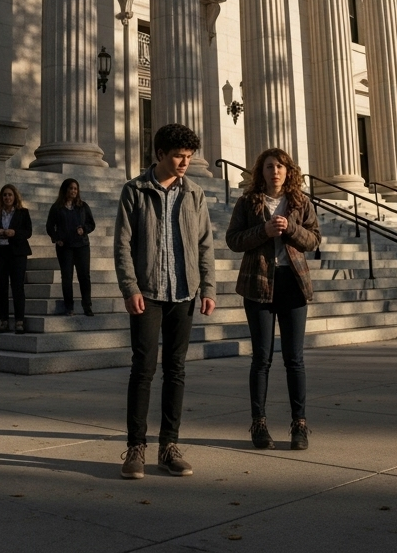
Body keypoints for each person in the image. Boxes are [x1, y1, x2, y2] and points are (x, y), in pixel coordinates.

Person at [114, 123, 216, 480]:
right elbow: (123, 245)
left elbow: (205, 244)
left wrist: (209, 288)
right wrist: (130, 288)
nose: (184, 162)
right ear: (159, 154)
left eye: (188, 156)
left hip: (184, 293)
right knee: (143, 370)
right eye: (178, 156)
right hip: (148, 293)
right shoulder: (135, 191)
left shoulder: (195, 194)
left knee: (176, 370)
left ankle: (169, 446)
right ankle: (136, 447)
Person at [226, 148, 321, 452]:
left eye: (280, 166)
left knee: (294, 359)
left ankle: (299, 424)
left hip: (292, 284)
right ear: (261, 172)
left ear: (288, 171)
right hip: (258, 284)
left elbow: (314, 240)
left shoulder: (300, 202)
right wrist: (264, 231)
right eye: (269, 166)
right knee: (261, 359)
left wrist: (290, 228)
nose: (275, 171)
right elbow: (233, 240)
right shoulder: (248, 202)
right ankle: (259, 423)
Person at [45, 178, 96, 316]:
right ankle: (69, 307)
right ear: (65, 190)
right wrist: (56, 238)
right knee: (67, 277)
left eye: (75, 188)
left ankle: (87, 306)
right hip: (65, 247)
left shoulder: (83, 206)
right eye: (71, 188)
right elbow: (50, 226)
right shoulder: (57, 207)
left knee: (84, 276)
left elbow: (91, 224)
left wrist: (84, 229)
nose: (73, 191)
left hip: (82, 245)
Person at [0, 184, 32, 334]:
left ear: (15, 197)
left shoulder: (22, 213)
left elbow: (28, 232)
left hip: (17, 254)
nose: (7, 197)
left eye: (10, 195)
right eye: (5, 195)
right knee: (1, 288)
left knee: (17, 287)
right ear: (1, 197)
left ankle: (19, 321)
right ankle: (4, 321)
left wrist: (14, 232)